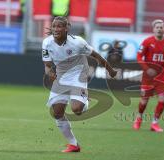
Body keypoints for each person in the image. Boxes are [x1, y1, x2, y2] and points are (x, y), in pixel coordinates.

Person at [42, 16, 117, 153]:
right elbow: (47, 65)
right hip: (61, 76)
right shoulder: (47, 43)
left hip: (78, 74)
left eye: (59, 26)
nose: (56, 29)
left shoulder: (78, 42)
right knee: (57, 113)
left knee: (77, 110)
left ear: (66, 28)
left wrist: (110, 70)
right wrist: (49, 73)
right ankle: (73, 144)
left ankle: (84, 99)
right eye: (54, 26)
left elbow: (97, 56)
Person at [133, 19, 164, 132]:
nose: (159, 29)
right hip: (148, 76)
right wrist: (147, 69)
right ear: (153, 29)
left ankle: (154, 123)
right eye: (157, 27)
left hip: (161, 76)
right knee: (144, 100)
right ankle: (139, 118)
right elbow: (139, 56)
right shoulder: (147, 42)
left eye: (161, 27)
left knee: (162, 99)